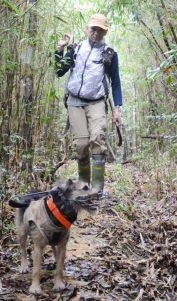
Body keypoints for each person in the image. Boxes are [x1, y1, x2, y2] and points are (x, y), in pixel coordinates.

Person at [55, 13, 123, 193]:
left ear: (105, 32)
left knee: (98, 139)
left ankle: (98, 189)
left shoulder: (109, 53)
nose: (96, 33)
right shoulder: (75, 48)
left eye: (100, 30)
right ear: (87, 28)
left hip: (97, 101)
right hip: (74, 101)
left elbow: (115, 82)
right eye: (93, 28)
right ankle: (84, 185)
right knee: (81, 144)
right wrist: (60, 49)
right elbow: (59, 71)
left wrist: (117, 108)